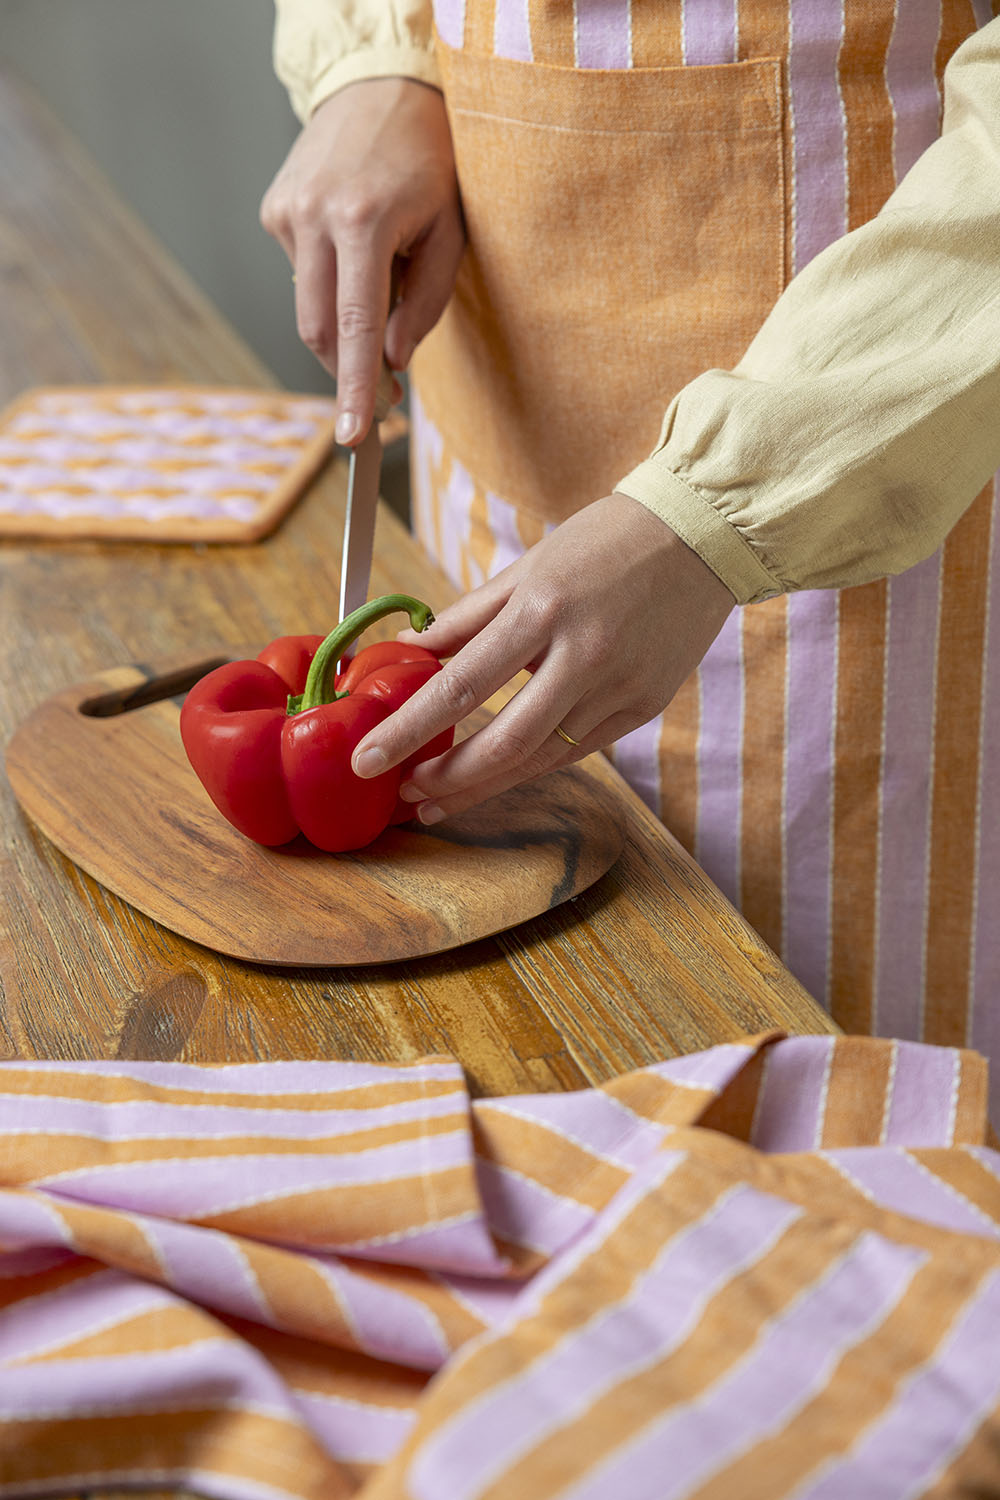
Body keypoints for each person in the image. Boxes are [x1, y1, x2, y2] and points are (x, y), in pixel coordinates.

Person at [262, 1, 1000, 1114]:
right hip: (494, 424)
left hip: (886, 475)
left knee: (821, 1161)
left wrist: (729, 503)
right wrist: (377, 61)